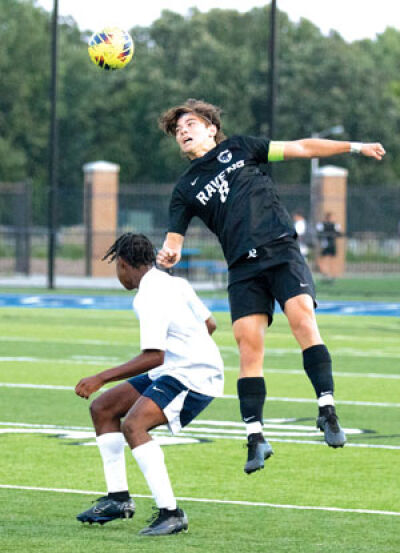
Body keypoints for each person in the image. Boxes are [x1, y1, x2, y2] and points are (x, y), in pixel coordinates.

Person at [156, 98, 386, 474]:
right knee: (248, 346)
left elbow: (302, 147)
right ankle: (256, 437)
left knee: (302, 320)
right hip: (242, 269)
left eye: (191, 123)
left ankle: (326, 410)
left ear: (211, 128)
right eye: (178, 129)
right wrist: (168, 255)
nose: (183, 131)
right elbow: (174, 243)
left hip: (280, 251)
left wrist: (354, 147)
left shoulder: (242, 148)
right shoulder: (185, 188)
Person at [75, 232, 224, 535]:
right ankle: (118, 499)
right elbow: (210, 324)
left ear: (125, 264)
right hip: (179, 367)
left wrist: (100, 377)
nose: (119, 273)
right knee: (103, 408)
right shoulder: (175, 282)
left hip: (191, 375)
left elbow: (154, 356)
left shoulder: (148, 296)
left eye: (118, 266)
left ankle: (171, 512)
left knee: (133, 426)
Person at [316, 212, 343, 280]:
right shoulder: (322, 225)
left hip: (332, 244)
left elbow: (339, 234)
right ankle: (326, 273)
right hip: (325, 244)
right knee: (323, 260)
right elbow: (319, 234)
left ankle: (333, 274)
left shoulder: (335, 225)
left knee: (332, 260)